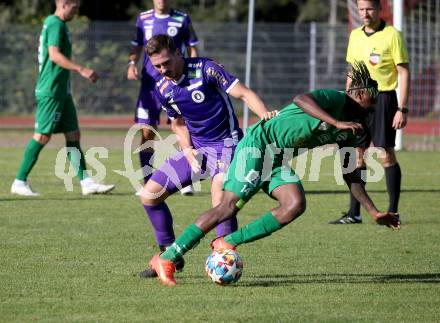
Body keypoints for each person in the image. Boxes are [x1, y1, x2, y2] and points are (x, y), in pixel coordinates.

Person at [146, 61, 401, 286]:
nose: (375, 105)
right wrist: (335, 122)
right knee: (227, 207)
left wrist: (373, 211)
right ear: (357, 94)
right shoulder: (337, 100)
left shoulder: (353, 129)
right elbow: (302, 99)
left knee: (294, 204)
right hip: (257, 145)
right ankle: (167, 258)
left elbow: (350, 174)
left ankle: (228, 241)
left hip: (275, 158)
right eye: (372, 99)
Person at [138, 34, 277, 278]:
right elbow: (178, 123)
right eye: (157, 65)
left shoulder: (207, 69)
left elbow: (244, 94)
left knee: (220, 195)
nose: (162, 69)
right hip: (198, 149)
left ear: (179, 53)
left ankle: (225, 257)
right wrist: (187, 148)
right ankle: (170, 256)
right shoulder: (162, 88)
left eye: (166, 63)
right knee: (150, 195)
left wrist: (264, 114)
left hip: (228, 144)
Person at [10, 0, 115, 196]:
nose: (77, 11)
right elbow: (54, 55)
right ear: (64, 4)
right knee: (42, 136)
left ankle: (86, 183)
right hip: (50, 90)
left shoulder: (61, 25)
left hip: (62, 92)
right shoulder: (54, 23)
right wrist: (81, 69)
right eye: (75, 7)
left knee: (73, 135)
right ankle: (19, 181)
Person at [329, 0, 410, 224]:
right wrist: (346, 102)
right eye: (361, 9)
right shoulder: (355, 35)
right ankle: (354, 213)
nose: (365, 13)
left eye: (369, 9)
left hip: (383, 99)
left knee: (385, 154)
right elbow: (352, 71)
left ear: (379, 9)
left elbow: (403, 72)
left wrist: (402, 108)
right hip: (357, 102)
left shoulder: (392, 35)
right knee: (357, 156)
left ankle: (393, 211)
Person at [127, 0, 198, 196]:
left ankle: (186, 179)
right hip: (150, 88)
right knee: (147, 132)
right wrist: (131, 63)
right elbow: (136, 45)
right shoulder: (143, 19)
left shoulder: (182, 19)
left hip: (176, 84)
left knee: (181, 129)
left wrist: (192, 71)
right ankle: (148, 182)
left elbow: (192, 47)